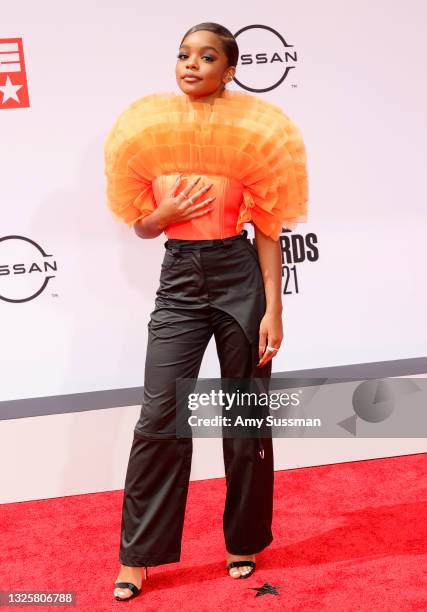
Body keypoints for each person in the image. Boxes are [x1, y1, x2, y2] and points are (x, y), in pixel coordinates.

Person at [104, 22, 308, 602]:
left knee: (246, 418)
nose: (190, 64)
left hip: (239, 276)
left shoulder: (258, 133)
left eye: (206, 56)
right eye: (183, 54)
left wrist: (274, 309)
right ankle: (137, 554)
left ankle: (243, 540)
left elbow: (268, 230)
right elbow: (141, 226)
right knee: (160, 418)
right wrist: (163, 211)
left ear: (231, 68)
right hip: (179, 280)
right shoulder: (148, 130)